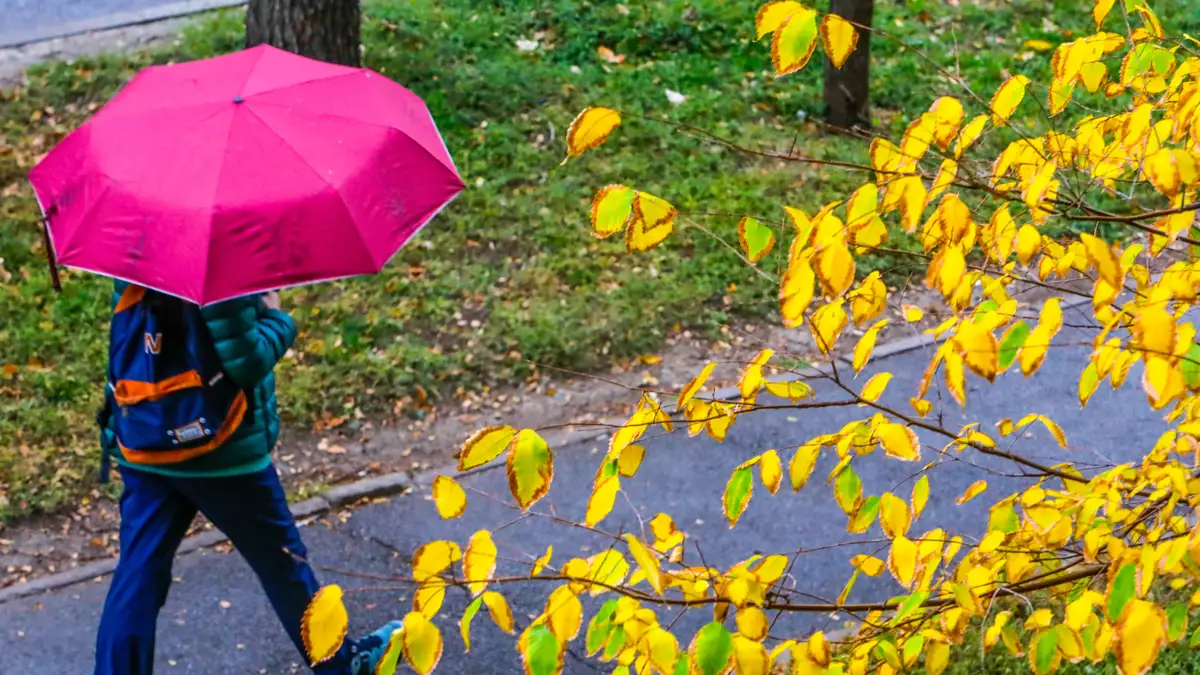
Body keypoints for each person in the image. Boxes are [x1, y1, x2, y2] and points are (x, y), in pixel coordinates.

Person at [95, 281, 400, 675]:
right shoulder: (221, 266)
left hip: (146, 438)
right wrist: (277, 317)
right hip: (222, 450)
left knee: (138, 573)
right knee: (283, 564)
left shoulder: (137, 254)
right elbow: (247, 362)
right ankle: (340, 666)